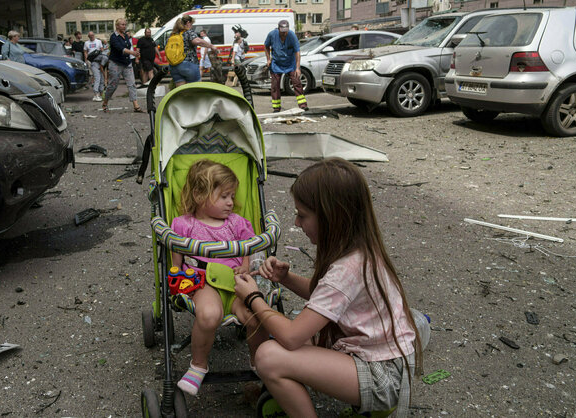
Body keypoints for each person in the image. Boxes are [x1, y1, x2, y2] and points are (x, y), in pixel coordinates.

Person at [233, 158, 423, 417]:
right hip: (387, 361)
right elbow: (328, 296)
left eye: (302, 215)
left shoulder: (347, 269)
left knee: (270, 355)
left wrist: (253, 297)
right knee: (294, 341)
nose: (297, 223)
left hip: (383, 378)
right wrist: (287, 278)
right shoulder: (360, 248)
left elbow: (291, 336)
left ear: (332, 217)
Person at [170, 159, 261, 396]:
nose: (231, 202)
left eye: (232, 196)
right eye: (224, 196)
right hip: (203, 283)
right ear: (200, 195)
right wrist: (177, 278)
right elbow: (176, 256)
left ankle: (260, 360)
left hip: (236, 281)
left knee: (257, 315)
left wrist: (245, 265)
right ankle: (199, 364)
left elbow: (248, 247)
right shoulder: (184, 225)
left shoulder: (237, 223)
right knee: (209, 315)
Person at [264, 20, 307, 112]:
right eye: (282, 32)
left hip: (290, 63)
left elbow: (297, 52)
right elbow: (266, 46)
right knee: (275, 86)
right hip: (276, 64)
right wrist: (268, 59)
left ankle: (303, 105)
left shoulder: (292, 35)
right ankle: (276, 107)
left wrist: (297, 67)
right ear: (278, 29)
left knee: (297, 82)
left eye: (286, 32)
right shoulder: (272, 35)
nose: (284, 34)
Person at [104, 18, 143, 113]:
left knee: (132, 84)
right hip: (116, 63)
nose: (124, 26)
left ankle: (136, 105)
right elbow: (121, 49)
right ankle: (105, 102)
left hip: (127, 63)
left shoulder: (125, 36)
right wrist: (133, 53)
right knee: (113, 85)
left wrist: (136, 53)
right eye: (122, 24)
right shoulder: (113, 37)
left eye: (125, 24)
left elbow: (129, 47)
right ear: (117, 26)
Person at [169, 15, 216, 86]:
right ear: (188, 23)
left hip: (174, 66)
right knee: (195, 89)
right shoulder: (188, 32)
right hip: (188, 64)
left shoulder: (173, 35)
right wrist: (211, 46)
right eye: (191, 24)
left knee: (181, 91)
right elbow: (197, 41)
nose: (191, 26)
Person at [84, 31, 106, 102]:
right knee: (97, 78)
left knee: (101, 78)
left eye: (92, 35)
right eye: (90, 36)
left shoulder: (98, 41)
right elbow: (85, 52)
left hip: (100, 60)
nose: (91, 36)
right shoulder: (86, 43)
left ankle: (100, 94)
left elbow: (102, 50)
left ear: (94, 35)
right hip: (92, 61)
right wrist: (86, 60)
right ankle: (96, 94)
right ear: (88, 36)